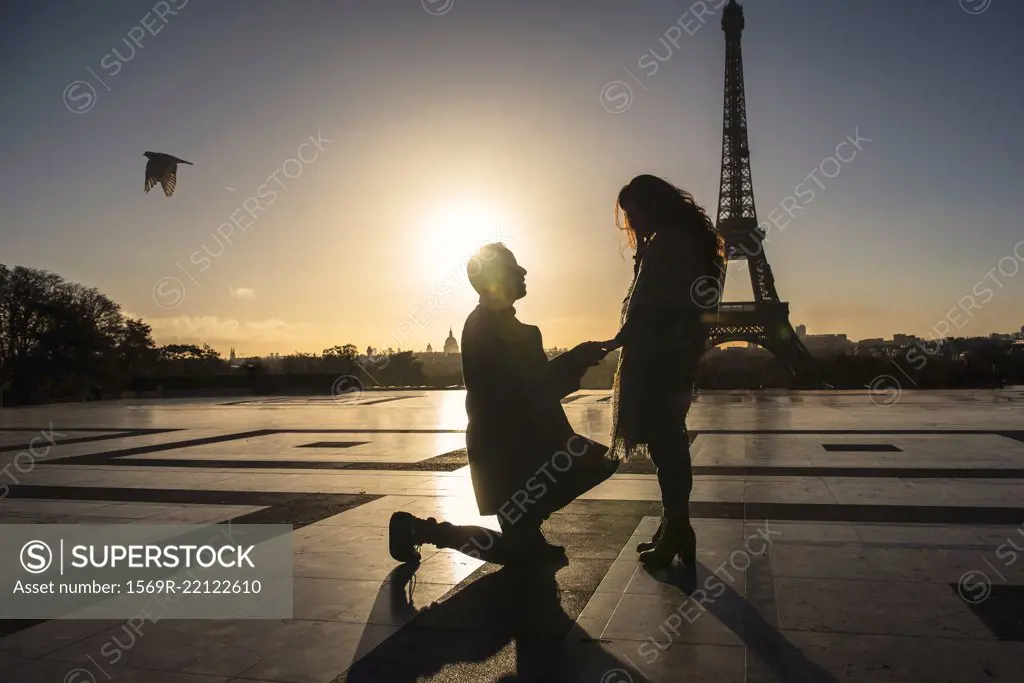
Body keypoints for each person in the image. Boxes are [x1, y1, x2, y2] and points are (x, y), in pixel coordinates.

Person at [388, 242, 619, 565]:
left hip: (507, 450)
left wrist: (573, 360)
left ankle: (517, 533)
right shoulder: (503, 329)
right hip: (514, 452)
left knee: (528, 537)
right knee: (520, 549)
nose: (523, 273)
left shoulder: (484, 324)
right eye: (514, 268)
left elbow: (525, 388)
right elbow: (534, 390)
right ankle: (422, 530)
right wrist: (575, 360)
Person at [607, 174, 726, 567]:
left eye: (633, 213)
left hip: (662, 358)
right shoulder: (680, 240)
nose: (631, 223)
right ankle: (674, 526)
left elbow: (654, 306)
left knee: (667, 446)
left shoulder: (671, 244)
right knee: (668, 444)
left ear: (651, 206)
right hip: (674, 355)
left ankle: (677, 528)